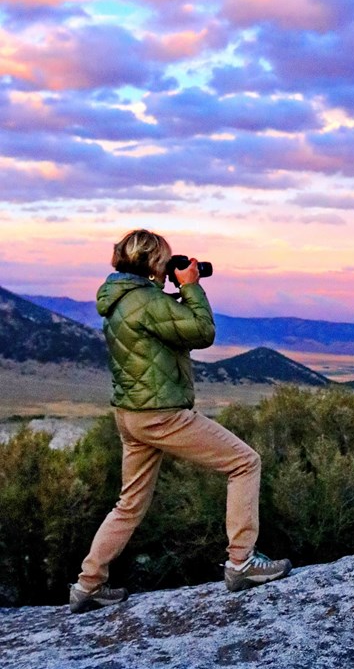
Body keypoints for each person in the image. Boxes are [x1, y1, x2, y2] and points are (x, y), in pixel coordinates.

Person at [69, 229, 291, 614]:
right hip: (161, 414)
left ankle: (89, 585)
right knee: (244, 462)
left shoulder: (119, 299)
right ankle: (241, 561)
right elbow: (202, 332)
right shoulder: (147, 301)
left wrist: (173, 291)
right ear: (154, 262)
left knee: (129, 504)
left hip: (130, 415)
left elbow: (163, 329)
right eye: (165, 259)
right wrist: (191, 288)